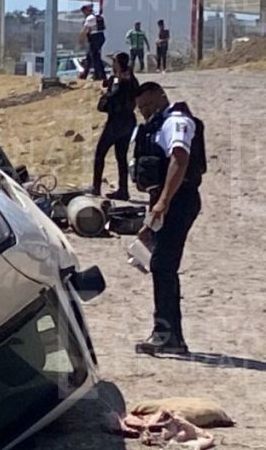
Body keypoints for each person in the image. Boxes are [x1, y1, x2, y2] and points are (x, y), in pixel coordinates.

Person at [131, 82, 206, 356]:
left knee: (163, 265)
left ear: (162, 97)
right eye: (141, 108)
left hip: (179, 199)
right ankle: (170, 335)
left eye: (149, 105)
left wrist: (163, 202)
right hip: (166, 201)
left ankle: (167, 335)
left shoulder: (176, 122)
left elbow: (179, 159)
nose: (146, 112)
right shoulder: (154, 126)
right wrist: (150, 221)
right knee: (160, 264)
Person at [92, 52, 139, 200]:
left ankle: (96, 187)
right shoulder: (131, 78)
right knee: (121, 156)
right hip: (129, 121)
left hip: (117, 121)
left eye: (114, 62)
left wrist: (104, 97)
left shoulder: (120, 80)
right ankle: (123, 190)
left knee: (100, 153)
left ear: (118, 63)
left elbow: (113, 96)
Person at [80, 4, 107, 80]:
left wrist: (81, 40)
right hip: (100, 37)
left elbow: (85, 30)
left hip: (94, 38)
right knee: (90, 56)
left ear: (86, 11)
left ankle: (99, 75)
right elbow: (104, 27)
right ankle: (85, 74)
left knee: (95, 58)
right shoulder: (98, 17)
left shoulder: (89, 18)